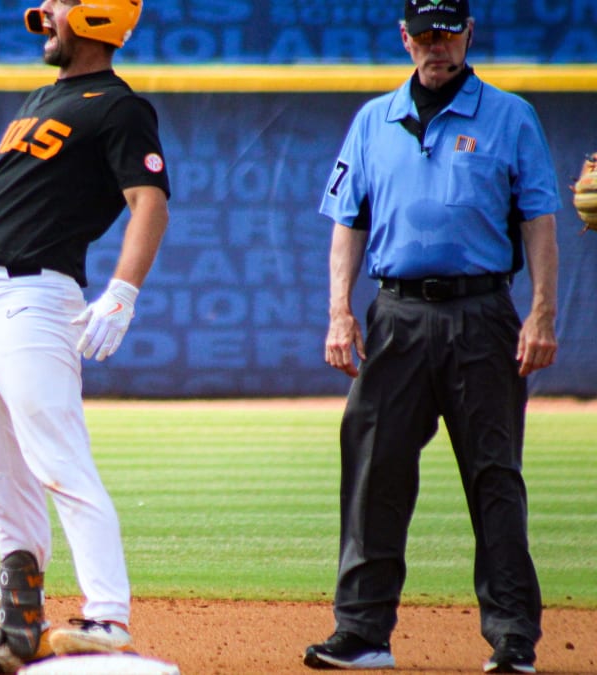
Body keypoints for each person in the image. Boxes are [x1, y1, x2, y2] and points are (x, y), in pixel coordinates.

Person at [303, 0, 560, 672]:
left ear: (469, 35)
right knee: (373, 470)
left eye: (447, 33)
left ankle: (512, 638)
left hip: (482, 315)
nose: (435, 45)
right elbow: (347, 223)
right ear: (405, 38)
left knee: (494, 476)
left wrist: (541, 314)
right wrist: (340, 312)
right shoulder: (372, 121)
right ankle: (362, 633)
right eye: (424, 34)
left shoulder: (510, 117)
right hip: (395, 314)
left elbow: (538, 220)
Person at [0, 0, 170, 672]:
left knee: (59, 462)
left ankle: (109, 616)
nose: (45, 12)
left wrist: (122, 291)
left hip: (34, 299)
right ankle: (17, 628)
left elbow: (149, 201)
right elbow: (26, 183)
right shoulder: (44, 97)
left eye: (61, 3)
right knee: (0, 477)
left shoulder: (118, 107)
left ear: (95, 17)